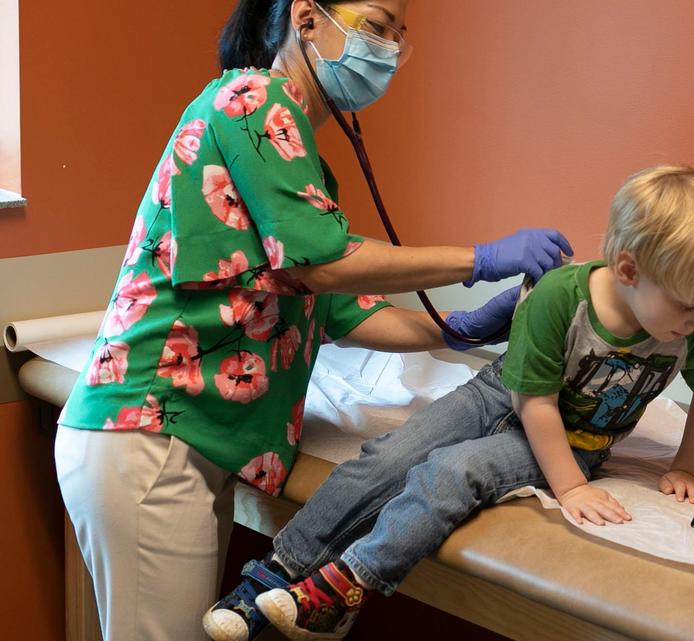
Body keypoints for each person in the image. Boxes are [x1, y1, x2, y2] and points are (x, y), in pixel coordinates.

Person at [54, 1, 575, 640]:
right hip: (149, 430)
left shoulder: (294, 146)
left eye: (399, 36)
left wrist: (456, 330)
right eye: (377, 26)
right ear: (306, 18)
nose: (388, 49)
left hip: (182, 442)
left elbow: (336, 307)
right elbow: (326, 263)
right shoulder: (251, 100)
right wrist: (482, 258)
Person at [205, 165, 694, 641]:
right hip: (501, 392)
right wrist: (572, 489)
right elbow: (532, 398)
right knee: (389, 457)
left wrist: (686, 466)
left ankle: (349, 588)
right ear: (630, 270)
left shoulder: (693, 326)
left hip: (575, 439)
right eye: (688, 305)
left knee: (452, 471)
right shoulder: (562, 296)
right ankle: (277, 570)